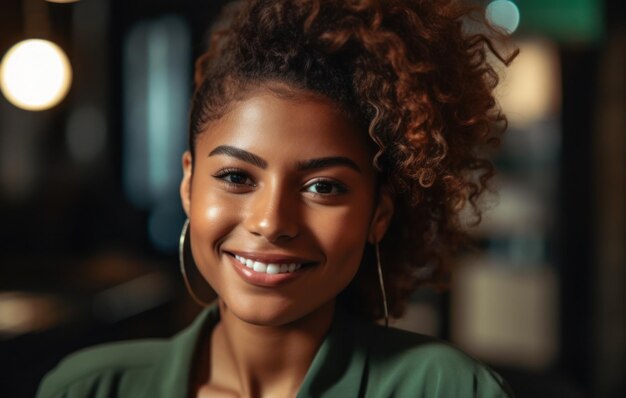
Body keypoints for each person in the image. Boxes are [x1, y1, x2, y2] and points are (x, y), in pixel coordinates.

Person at [37, 0, 517, 396]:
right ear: (188, 185)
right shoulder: (89, 388)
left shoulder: (448, 389)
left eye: (323, 187)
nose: (271, 222)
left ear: (379, 214)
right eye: (236, 177)